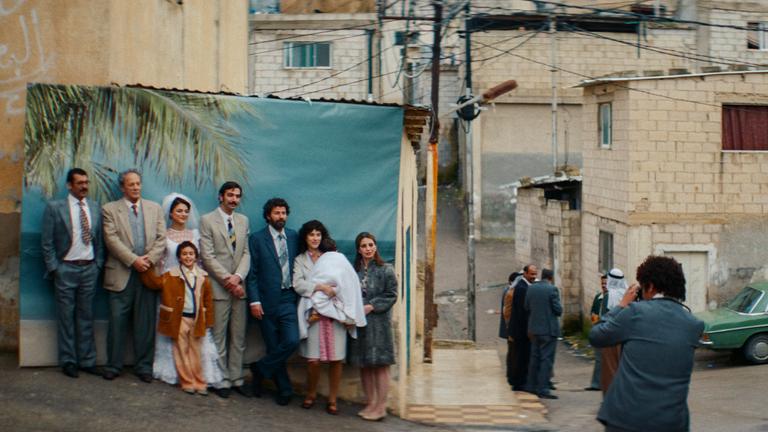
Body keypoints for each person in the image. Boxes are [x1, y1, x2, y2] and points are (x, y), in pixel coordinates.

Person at [589, 255, 704, 432]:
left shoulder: (635, 313)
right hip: (672, 421)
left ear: (650, 286)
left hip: (627, 419)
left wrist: (621, 305)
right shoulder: (694, 325)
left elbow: (596, 336)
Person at [101, 169, 166, 382]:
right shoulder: (110, 210)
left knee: (145, 324)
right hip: (122, 274)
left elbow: (161, 238)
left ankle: (144, 367)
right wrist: (133, 260)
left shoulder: (154, 208)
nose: (136, 187)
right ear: (122, 187)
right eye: (131, 184)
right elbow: (111, 240)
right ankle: (113, 365)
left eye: (138, 183)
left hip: (147, 273)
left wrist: (148, 260)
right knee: (117, 323)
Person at [294, 223, 366, 415]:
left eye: (318, 234)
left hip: (336, 315)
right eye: (311, 235)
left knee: (336, 359)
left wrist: (339, 300)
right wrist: (321, 288)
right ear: (305, 238)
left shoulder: (336, 258)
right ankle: (311, 394)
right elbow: (299, 285)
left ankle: (333, 399)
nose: (315, 238)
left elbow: (348, 284)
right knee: (313, 360)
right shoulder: (300, 260)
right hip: (314, 315)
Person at [152, 193, 222, 387]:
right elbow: (160, 261)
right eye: (179, 211)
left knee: (195, 327)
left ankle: (198, 373)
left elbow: (200, 262)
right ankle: (174, 371)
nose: (183, 214)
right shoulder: (164, 235)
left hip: (192, 285)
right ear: (171, 214)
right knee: (174, 326)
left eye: (186, 211)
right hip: (171, 285)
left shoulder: (195, 235)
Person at [40, 168, 104, 378]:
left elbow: (99, 241)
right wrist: (55, 268)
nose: (84, 186)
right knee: (66, 317)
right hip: (65, 268)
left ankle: (87, 361)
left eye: (86, 182)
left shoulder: (94, 207)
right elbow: (47, 242)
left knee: (86, 316)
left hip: (89, 268)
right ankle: (68, 361)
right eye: (80, 183)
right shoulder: (55, 208)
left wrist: (98, 264)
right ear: (69, 185)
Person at [140, 241, 214, 395]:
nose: (188, 257)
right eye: (184, 254)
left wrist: (208, 320)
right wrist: (145, 268)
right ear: (179, 257)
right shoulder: (171, 275)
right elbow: (154, 283)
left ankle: (200, 382)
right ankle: (187, 382)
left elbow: (208, 300)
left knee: (196, 352)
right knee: (181, 351)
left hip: (197, 319)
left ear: (196, 256)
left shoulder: (203, 276)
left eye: (191, 254)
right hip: (178, 319)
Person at [199, 182, 251, 398]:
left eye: (237, 196)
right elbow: (207, 256)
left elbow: (246, 253)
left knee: (238, 337)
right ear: (221, 197)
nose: (234, 199)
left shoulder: (243, 220)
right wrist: (228, 280)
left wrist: (238, 277)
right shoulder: (207, 220)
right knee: (219, 336)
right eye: (230, 195)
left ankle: (236, 377)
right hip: (220, 288)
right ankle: (220, 380)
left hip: (239, 288)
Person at [247, 198, 300, 406]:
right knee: (273, 345)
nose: (281, 217)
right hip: (266, 301)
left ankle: (259, 369)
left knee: (291, 341)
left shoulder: (295, 237)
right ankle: (285, 390)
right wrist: (254, 301)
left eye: (284, 213)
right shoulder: (257, 239)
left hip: (288, 298)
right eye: (277, 213)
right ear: (268, 215)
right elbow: (252, 274)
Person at [347, 232, 398, 421]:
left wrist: (372, 305)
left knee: (380, 365)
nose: (368, 249)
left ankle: (381, 406)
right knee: (365, 365)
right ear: (358, 249)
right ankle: (370, 403)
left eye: (371, 245)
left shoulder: (386, 269)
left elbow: (391, 295)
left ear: (375, 246)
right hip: (360, 325)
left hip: (379, 325)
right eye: (364, 246)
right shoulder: (355, 271)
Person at [524, 268, 562, 400]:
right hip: (548, 330)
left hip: (534, 329)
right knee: (546, 359)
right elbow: (558, 310)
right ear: (551, 278)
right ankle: (543, 388)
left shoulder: (531, 288)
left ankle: (531, 386)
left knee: (534, 357)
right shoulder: (552, 289)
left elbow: (526, 307)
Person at [507, 264, 537, 391]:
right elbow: (523, 312)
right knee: (521, 357)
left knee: (522, 356)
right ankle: (519, 383)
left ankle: (521, 381)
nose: (534, 277)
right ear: (525, 274)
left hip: (521, 330)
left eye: (535, 274)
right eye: (531, 274)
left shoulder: (525, 287)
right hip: (521, 331)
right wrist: (529, 329)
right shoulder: (522, 288)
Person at [600, 268, 627, 394]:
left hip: (610, 338)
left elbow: (603, 317)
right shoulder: (627, 294)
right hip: (625, 337)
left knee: (610, 368)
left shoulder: (608, 296)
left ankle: (610, 396)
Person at [585, 273, 608, 391]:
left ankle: (602, 383)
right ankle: (596, 383)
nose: (604, 285)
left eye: (606, 283)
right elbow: (593, 312)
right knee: (599, 358)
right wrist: (594, 320)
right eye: (602, 283)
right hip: (598, 328)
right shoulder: (598, 297)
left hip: (608, 331)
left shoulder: (611, 298)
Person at [501, 271, 522, 387]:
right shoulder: (510, 293)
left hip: (511, 328)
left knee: (512, 353)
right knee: (514, 354)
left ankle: (512, 376)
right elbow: (507, 312)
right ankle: (513, 377)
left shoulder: (510, 291)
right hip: (512, 329)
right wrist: (510, 328)